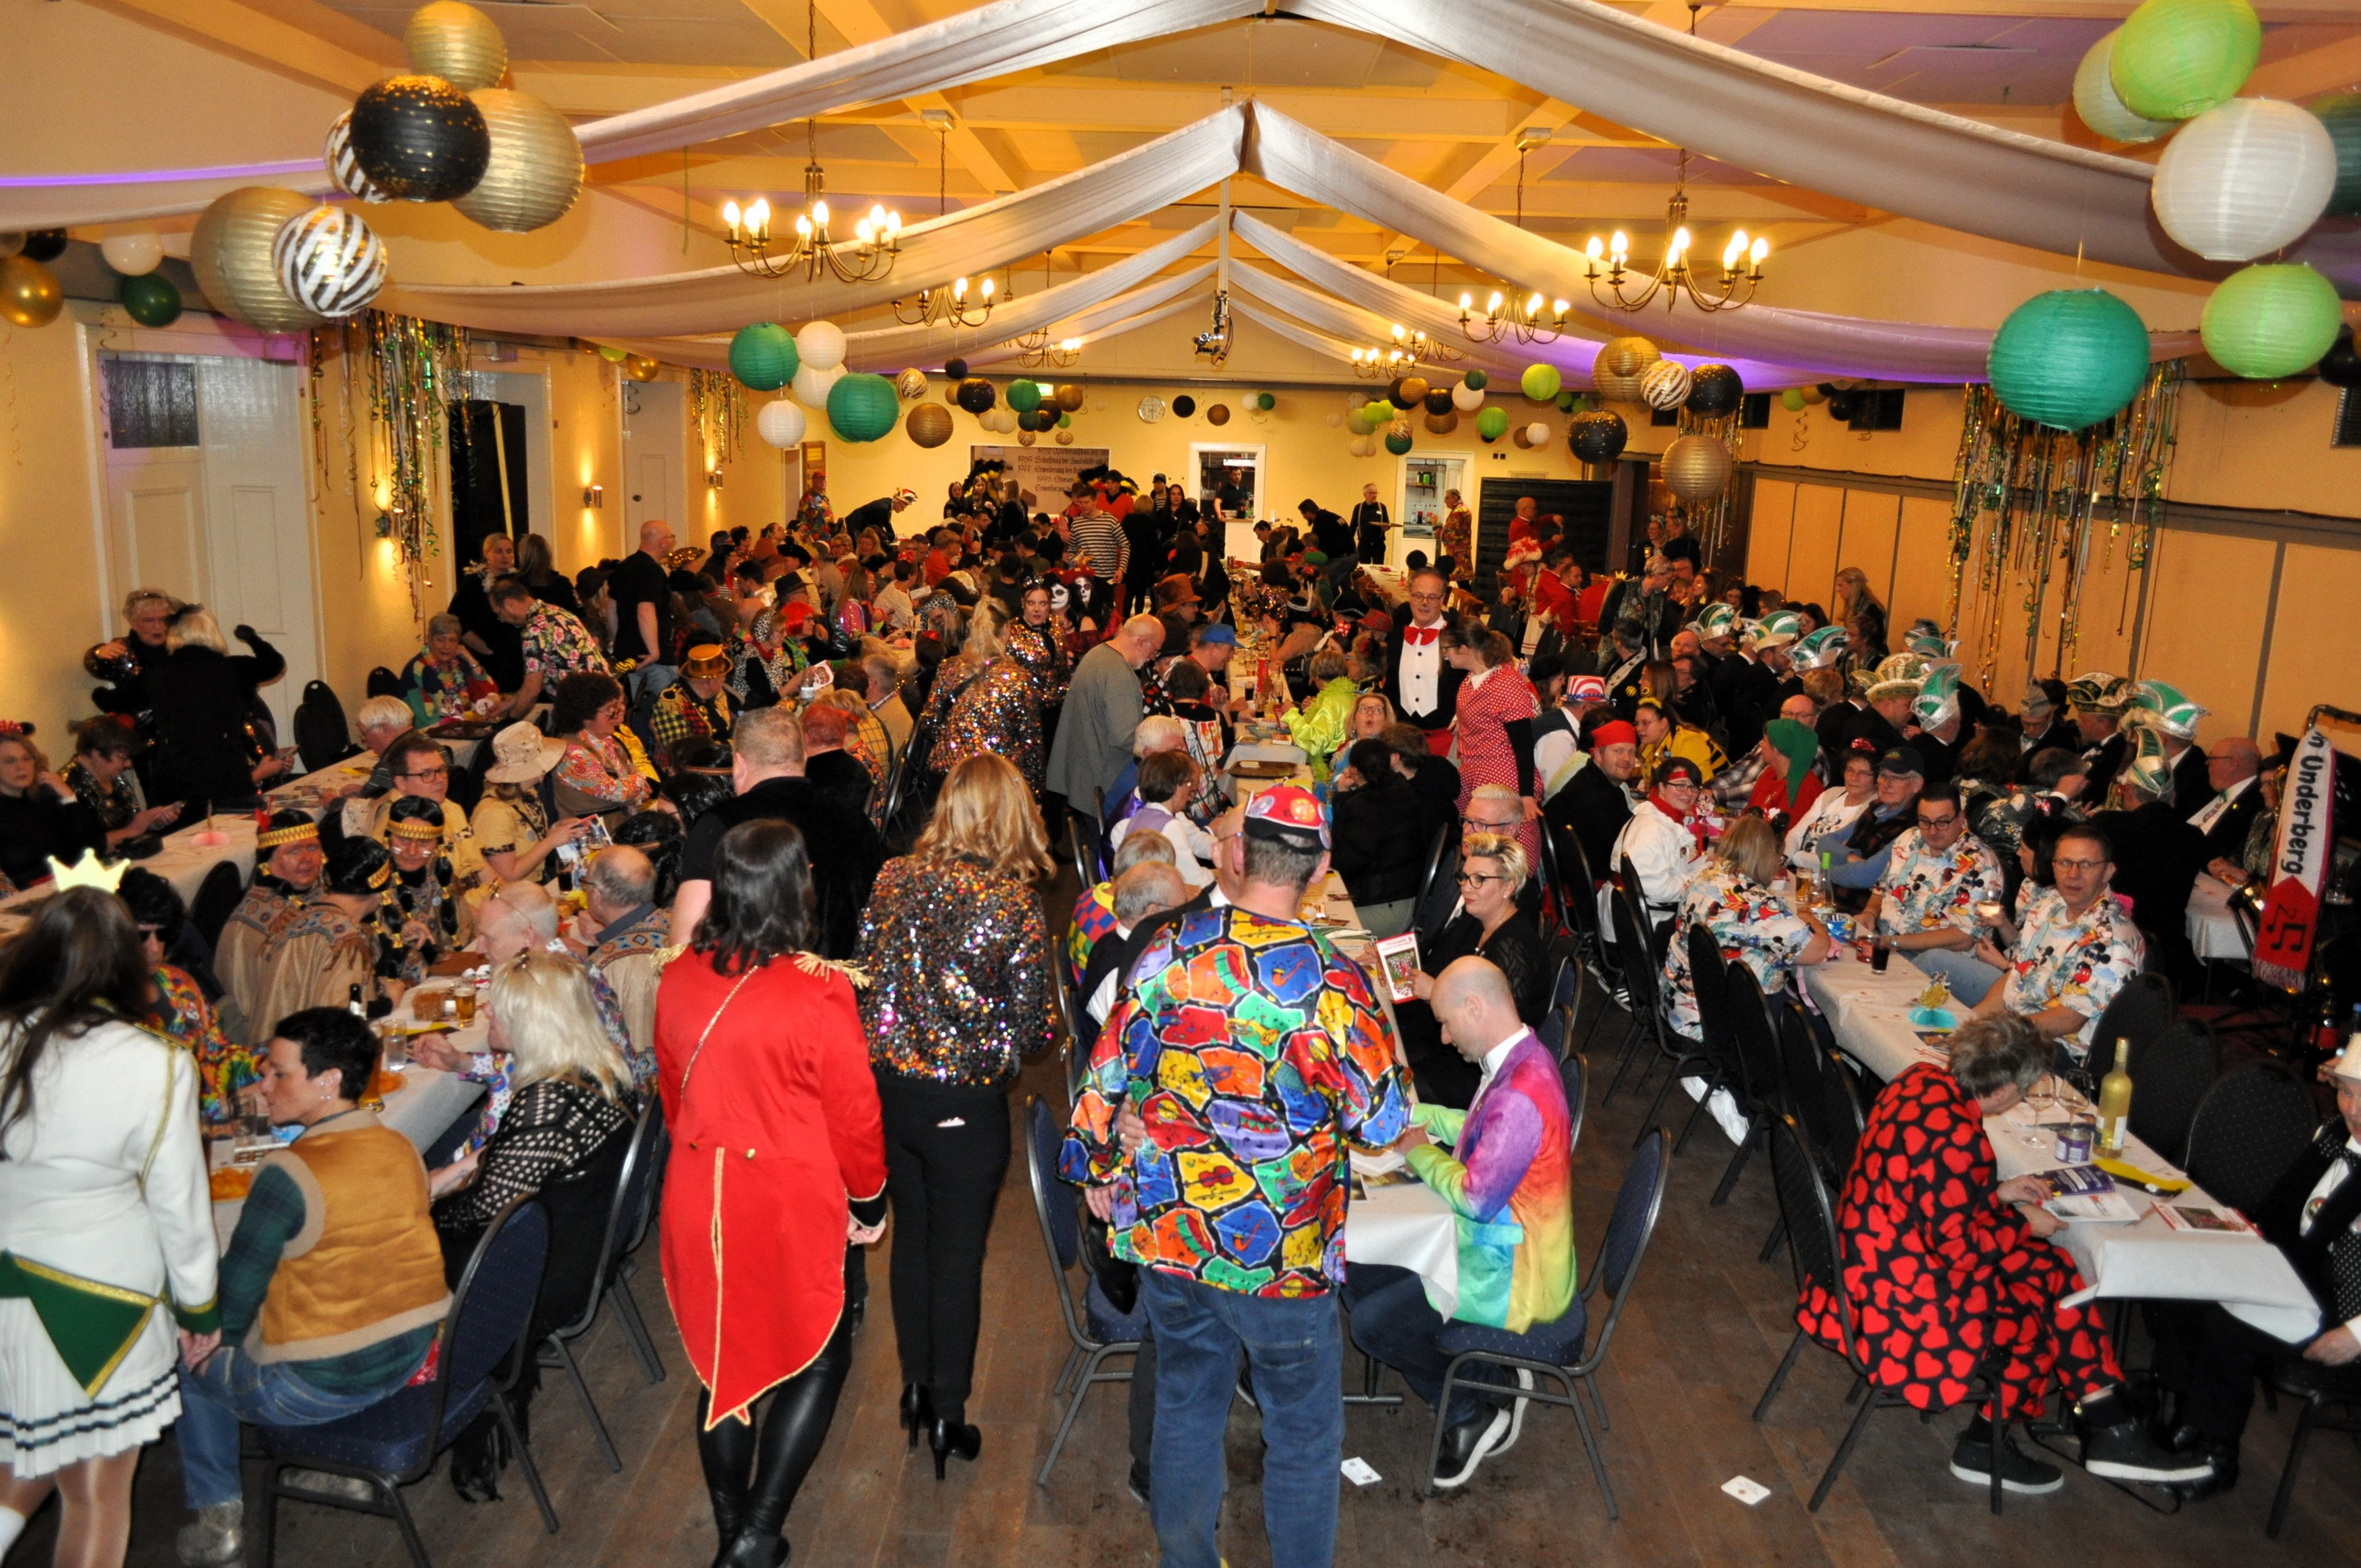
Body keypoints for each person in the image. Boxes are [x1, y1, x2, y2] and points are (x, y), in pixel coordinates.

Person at [1064, 784, 1409, 1568]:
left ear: (1240, 855)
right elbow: (1382, 1123)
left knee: (1187, 1406)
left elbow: (1105, 1074)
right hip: (1284, 1255)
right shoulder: (1335, 981)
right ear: (1318, 868)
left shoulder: (1169, 949)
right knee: (1303, 1435)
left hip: (1176, 1233)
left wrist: (1095, 1165)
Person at [1798, 1013, 2213, 1495]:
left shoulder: (1918, 1082)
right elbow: (1959, 1249)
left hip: (1870, 1258)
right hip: (1900, 1304)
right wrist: (2024, 1224)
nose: (2023, 1097)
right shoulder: (1958, 1137)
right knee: (2039, 1314)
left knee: (2053, 1269)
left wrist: (1998, 1193)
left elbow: (1926, 1189)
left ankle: (2105, 1420)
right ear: (2003, 1091)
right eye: (2025, 1089)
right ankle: (1996, 1443)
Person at [174, 1008, 454, 1567]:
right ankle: (335, 1463)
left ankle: (219, 1518)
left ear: (329, 1081)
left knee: (187, 1355)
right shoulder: (400, 1146)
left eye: (279, 1074)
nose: (263, 1086)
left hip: (319, 1387)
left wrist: (202, 1337)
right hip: (408, 1359)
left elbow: (233, 1304)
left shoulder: (288, 1172)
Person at [0, 888, 217, 1568]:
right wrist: (199, 1307)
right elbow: (180, 1203)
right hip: (101, 1306)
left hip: (8, 1292)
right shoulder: (155, 1061)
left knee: (27, 1454)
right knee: (95, 1493)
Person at [854, 756, 1053, 1478]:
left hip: (888, 1095)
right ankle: (949, 1412)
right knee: (958, 1259)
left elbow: (863, 976)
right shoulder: (1012, 902)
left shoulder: (892, 878)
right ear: (1013, 815)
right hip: (965, 1108)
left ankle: (914, 1387)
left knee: (911, 1238)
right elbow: (1035, 1030)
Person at [1341, 954, 1574, 1484]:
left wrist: (1418, 1151)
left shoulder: (1522, 1093)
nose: (1444, 1038)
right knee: (1354, 1272)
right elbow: (1476, 1123)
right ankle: (1485, 1373)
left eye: (1446, 1023)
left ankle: (1471, 1410)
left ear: (1474, 1007)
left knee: (1371, 1325)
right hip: (1499, 1248)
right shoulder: (1524, 1057)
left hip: (1513, 1276)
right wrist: (1412, 1117)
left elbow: (1475, 1198)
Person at [426, 948, 635, 1498]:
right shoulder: (601, 1071)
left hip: (539, 1280)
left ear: (529, 1025)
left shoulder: (543, 1105)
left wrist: (418, 1211)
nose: (487, 1017)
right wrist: (459, 1168)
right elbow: (519, 1154)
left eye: (496, 1011)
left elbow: (479, 1215)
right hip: (586, 1248)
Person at [2150, 1045, 2361, 1500]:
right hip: (2297, 1274)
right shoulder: (2333, 1138)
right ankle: (2190, 1416)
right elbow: (2287, 1212)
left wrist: (2357, 1335)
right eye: (2347, 1092)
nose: (2354, 1110)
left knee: (2229, 1326)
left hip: (2345, 1309)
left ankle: (2218, 1455)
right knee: (2181, 1283)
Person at [674, 707, 883, 957]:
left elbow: (684, 942)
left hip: (760, 974)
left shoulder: (720, 824)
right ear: (803, 756)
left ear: (739, 764)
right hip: (851, 972)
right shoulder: (854, 818)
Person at [1395, 830, 1551, 1109]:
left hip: (1480, 1080)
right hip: (1450, 1050)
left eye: (1479, 879)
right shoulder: (1476, 922)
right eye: (1464, 877)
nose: (1466, 888)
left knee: (1387, 1082)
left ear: (1508, 887)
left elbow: (1495, 1036)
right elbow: (1437, 965)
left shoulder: (1515, 948)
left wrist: (1435, 992)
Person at [1968, 821, 2144, 1064]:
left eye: (2087, 864)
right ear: (2053, 865)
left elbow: (2068, 1020)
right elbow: (2015, 976)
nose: (2073, 874)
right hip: (2019, 1028)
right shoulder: (2048, 905)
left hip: (2059, 1052)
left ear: (2108, 871)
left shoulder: (2111, 940)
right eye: (2065, 863)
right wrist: (1970, 1021)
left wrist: (1997, 1034)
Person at [1663, 816, 1830, 1067]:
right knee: (1821, 1037)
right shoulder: (1753, 902)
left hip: (1678, 999)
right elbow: (1817, 950)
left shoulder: (1705, 875)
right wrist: (1807, 914)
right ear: (1767, 857)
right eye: (1778, 857)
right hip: (1712, 1023)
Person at [120, 868, 257, 1124]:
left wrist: (270, 1065)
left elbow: (218, 1052)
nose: (154, 948)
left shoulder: (178, 982)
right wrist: (231, 1103)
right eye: (141, 936)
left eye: (162, 934)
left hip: (220, 1115)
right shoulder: (109, 1009)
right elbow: (144, 1107)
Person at [1862, 780, 2009, 1001]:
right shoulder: (1909, 839)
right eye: (1925, 821)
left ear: (1961, 818)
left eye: (1942, 822)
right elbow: (1882, 889)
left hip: (1933, 960)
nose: (1932, 831)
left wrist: (1893, 942)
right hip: (1886, 942)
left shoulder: (1979, 864)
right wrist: (1870, 912)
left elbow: (1963, 938)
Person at [145, 606, 288, 813]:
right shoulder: (231, 669)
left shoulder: (157, 674)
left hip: (174, 771)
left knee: (183, 828)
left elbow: (113, 700)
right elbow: (274, 665)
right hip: (225, 769)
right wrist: (253, 639)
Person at [250, 835, 392, 1029]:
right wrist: (389, 1003)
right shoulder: (346, 937)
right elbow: (340, 1017)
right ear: (381, 891)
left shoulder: (295, 917)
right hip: (305, 1043)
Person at [1045, 614, 1163, 815]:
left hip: (1082, 778)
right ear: (1141, 641)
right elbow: (1125, 737)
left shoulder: (1096, 654)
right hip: (1104, 786)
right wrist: (1158, 749)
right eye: (1156, 649)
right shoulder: (1121, 675)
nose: (1154, 657)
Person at [1446, 625, 1542, 863]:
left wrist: (1526, 795)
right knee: (1479, 851)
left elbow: (1524, 743)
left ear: (1464, 649)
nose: (1444, 655)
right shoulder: (1472, 680)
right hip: (1475, 775)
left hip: (1503, 780)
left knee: (1505, 855)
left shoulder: (1505, 683)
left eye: (1446, 649)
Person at [575, 846, 668, 1085]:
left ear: (597, 895)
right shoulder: (675, 922)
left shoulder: (604, 967)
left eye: (586, 884)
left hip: (645, 1091)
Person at [469, 721, 587, 892]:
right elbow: (507, 876)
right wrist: (550, 842)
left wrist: (555, 831)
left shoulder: (526, 793)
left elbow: (526, 839)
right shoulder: (494, 813)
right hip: (511, 896)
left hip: (533, 886)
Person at [1330, 737, 1429, 938]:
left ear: (1354, 770)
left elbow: (1344, 861)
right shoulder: (1400, 789)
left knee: (1309, 919)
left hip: (1381, 909)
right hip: (1401, 900)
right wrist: (1344, 793)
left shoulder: (1365, 806)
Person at [1609, 755, 1710, 930]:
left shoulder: (1662, 817)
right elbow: (1658, 889)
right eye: (1680, 785)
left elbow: (1673, 869)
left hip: (1642, 913)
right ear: (1662, 786)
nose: (1689, 793)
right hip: (1639, 924)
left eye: (1694, 787)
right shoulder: (1651, 829)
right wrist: (1700, 876)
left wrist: (1706, 864)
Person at [0, 727, 107, 890]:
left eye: (27, 758)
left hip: (71, 887)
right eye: (9, 761)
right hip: (27, 897)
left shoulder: (46, 799)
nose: (21, 767)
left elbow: (93, 848)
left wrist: (69, 797)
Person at [1821, 746, 1926, 913]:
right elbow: (1824, 843)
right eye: (1883, 776)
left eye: (1896, 778)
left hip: (1863, 914)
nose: (1886, 784)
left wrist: (1827, 870)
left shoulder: (1914, 827)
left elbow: (1864, 877)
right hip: (1831, 902)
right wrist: (1849, 856)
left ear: (1916, 784)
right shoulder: (1875, 810)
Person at [341, 731, 471, 861]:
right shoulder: (396, 829)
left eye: (441, 770)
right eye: (426, 774)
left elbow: (475, 861)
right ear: (401, 783)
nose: (440, 780)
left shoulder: (450, 807)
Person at [490, 579, 609, 720]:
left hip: (586, 707)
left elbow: (532, 689)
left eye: (499, 613)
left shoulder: (535, 629)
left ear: (509, 603)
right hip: (603, 696)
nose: (502, 620)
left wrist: (509, 722)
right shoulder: (556, 611)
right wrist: (508, 704)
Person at [81, 587, 180, 755]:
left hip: (178, 734)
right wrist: (97, 653)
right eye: (148, 621)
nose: (158, 626)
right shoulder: (122, 649)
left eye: (164, 619)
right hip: (138, 739)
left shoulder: (180, 648)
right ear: (133, 622)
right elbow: (94, 666)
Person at [551, 671, 658, 821]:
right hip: (590, 833)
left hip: (620, 824)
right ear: (586, 714)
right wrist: (638, 782)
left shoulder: (609, 740)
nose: (617, 713)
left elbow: (637, 780)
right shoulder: (572, 754)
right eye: (610, 709)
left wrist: (635, 783)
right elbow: (618, 793)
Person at [64, 717, 179, 850]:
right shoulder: (67, 789)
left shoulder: (113, 776)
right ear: (96, 754)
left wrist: (152, 821)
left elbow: (128, 823)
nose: (129, 764)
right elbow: (87, 848)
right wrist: (133, 829)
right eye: (123, 757)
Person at [1546, 716, 1637, 884]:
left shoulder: (1597, 782)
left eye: (1632, 752)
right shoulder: (1596, 797)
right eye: (1618, 751)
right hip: (1596, 888)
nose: (1627, 758)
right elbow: (1628, 850)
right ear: (1598, 755)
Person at [1107, 749, 1215, 888]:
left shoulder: (1139, 816)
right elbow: (1195, 881)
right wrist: (1218, 875)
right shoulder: (1170, 826)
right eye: (1188, 784)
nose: (1190, 792)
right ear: (1175, 787)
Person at [1381, 568, 1461, 753]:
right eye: (1418, 596)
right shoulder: (1397, 637)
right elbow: (1391, 686)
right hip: (1403, 738)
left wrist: (1463, 716)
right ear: (1410, 597)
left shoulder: (1458, 636)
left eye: (1432, 597)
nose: (1424, 603)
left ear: (1442, 599)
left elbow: (1475, 681)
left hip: (1446, 738)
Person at [609, 520, 680, 691]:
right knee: (665, 704)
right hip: (652, 658)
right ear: (662, 542)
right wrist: (654, 652)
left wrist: (619, 640)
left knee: (636, 703)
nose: (673, 541)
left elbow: (611, 608)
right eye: (671, 537)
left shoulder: (624, 566)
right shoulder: (653, 571)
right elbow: (645, 610)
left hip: (627, 655)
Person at [1786, 746, 1876, 872]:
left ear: (1876, 778)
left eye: (1863, 773)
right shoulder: (1832, 794)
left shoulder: (1872, 810)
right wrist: (1783, 858)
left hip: (1826, 879)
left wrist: (1795, 858)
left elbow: (1838, 861)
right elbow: (1796, 834)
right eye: (1850, 770)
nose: (1854, 777)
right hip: (1799, 871)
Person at [449, 532, 521, 687]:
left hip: (516, 654)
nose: (505, 556)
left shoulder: (519, 580)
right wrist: (483, 648)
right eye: (499, 551)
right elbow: (456, 618)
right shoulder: (474, 582)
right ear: (486, 553)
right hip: (485, 655)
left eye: (509, 551)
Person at [399, 614, 496, 726]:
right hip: (434, 732)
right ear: (428, 639)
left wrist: (471, 659)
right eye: (440, 640)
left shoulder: (460, 662)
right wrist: (465, 721)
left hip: (465, 727)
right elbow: (425, 721)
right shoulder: (418, 670)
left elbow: (490, 696)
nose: (447, 646)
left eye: (453, 640)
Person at [1278, 645, 1360, 781]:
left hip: (1330, 770)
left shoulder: (1330, 701)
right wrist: (1311, 710)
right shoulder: (1348, 695)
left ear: (1317, 677)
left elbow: (1315, 742)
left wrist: (1291, 714)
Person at [840, 487, 916, 544]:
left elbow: (887, 523)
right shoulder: (883, 507)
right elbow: (878, 529)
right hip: (854, 527)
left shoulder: (887, 504)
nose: (903, 510)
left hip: (858, 526)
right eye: (903, 507)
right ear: (897, 501)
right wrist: (890, 537)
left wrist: (893, 536)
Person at [1349, 481, 1391, 564]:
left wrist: (1386, 527)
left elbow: (1387, 523)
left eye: (1376, 493)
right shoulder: (1358, 508)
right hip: (1364, 545)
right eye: (1372, 493)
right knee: (1364, 568)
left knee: (1378, 567)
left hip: (1378, 545)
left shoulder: (1382, 507)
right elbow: (1353, 526)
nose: (1374, 495)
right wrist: (1349, 543)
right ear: (1365, 494)